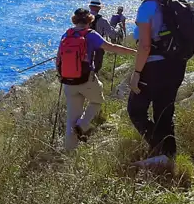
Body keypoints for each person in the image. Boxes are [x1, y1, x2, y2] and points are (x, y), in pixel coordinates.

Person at [128, 0, 188, 166]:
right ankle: (168, 155)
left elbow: (145, 46)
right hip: (176, 65)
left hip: (154, 67)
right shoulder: (171, 4)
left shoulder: (147, 8)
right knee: (164, 110)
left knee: (136, 110)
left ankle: (161, 150)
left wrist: (136, 73)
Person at [56, 8, 136, 151]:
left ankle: (68, 153)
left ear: (75, 20)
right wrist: (134, 52)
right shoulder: (91, 34)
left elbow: (58, 59)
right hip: (86, 80)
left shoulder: (66, 34)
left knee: (71, 119)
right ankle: (83, 125)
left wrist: (62, 76)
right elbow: (111, 47)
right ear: (89, 20)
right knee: (97, 101)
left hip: (68, 81)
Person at [88, 0, 115, 70]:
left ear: (90, 7)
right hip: (98, 47)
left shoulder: (83, 18)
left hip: (84, 47)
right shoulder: (103, 20)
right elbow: (112, 34)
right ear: (99, 8)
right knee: (96, 68)